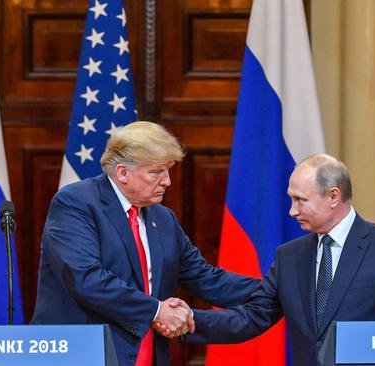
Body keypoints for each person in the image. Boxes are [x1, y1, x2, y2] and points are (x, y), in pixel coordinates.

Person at [164, 153, 375, 365]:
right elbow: (252, 316)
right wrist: (186, 321)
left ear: (333, 196)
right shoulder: (290, 256)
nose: (292, 211)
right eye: (291, 200)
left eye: (301, 200)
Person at [31, 121, 259, 366]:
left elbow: (203, 277)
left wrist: (274, 290)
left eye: (168, 170)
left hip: (146, 355)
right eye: (156, 172)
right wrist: (158, 310)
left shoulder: (163, 218)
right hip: (82, 354)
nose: (167, 181)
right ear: (122, 173)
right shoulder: (76, 204)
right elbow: (87, 279)